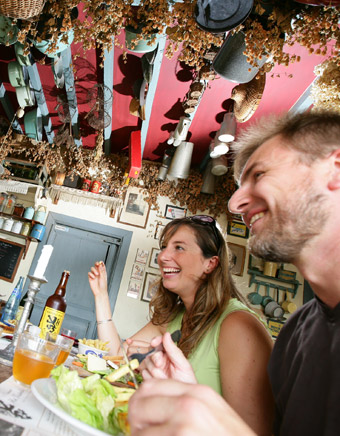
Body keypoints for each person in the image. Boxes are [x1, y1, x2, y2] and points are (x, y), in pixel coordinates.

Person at [128, 110, 340, 436]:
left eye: (259, 175)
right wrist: (188, 399)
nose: (234, 203)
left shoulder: (242, 324)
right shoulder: (299, 332)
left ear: (335, 168)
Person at [88, 215, 274, 435]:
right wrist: (100, 295)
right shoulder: (175, 317)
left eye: (179, 248)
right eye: (164, 247)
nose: (163, 256)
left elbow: (254, 431)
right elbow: (118, 356)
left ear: (210, 263)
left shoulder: (239, 326)